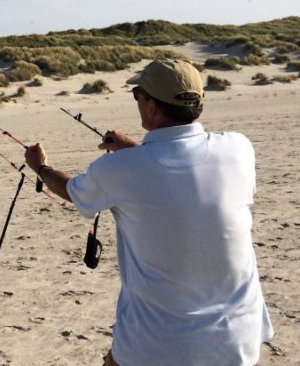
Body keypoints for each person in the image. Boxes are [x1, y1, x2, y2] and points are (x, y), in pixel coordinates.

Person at [25, 58, 273, 366]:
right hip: (240, 342)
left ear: (152, 106)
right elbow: (178, 177)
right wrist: (134, 151)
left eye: (137, 95)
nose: (137, 101)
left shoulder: (121, 169)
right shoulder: (239, 149)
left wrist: (41, 167)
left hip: (158, 347)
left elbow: (72, 191)